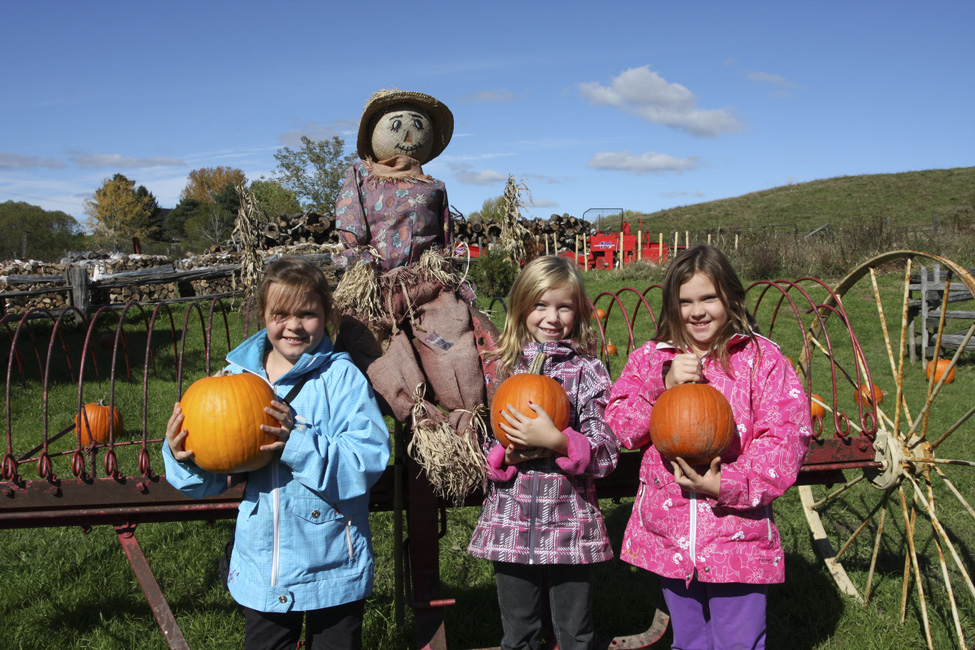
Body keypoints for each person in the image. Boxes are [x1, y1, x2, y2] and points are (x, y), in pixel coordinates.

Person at [162, 257, 391, 650]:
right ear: (263, 315)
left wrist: (296, 443)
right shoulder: (235, 380)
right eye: (281, 314)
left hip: (333, 560)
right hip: (263, 564)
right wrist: (182, 456)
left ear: (326, 315)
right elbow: (212, 473)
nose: (293, 326)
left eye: (307, 314)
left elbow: (367, 460)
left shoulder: (342, 379)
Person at [604, 245, 811, 650]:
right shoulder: (651, 360)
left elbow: (786, 437)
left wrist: (727, 484)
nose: (697, 312)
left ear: (731, 297)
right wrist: (661, 386)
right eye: (685, 302)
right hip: (669, 538)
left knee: (738, 642)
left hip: (737, 536)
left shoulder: (760, 359)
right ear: (671, 305)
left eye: (708, 298)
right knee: (689, 640)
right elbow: (619, 427)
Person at [331, 88, 498, 505]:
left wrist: (446, 274)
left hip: (428, 282)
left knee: (454, 344)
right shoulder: (360, 176)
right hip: (375, 287)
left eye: (417, 126)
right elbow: (350, 226)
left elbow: (445, 238)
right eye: (397, 125)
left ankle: (466, 432)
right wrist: (362, 266)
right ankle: (422, 420)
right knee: (377, 349)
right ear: (373, 134)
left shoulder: (434, 186)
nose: (408, 133)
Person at [467, 255, 620, 650]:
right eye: (540, 305)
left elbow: (605, 453)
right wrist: (504, 457)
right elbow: (480, 442)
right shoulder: (501, 369)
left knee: (575, 634)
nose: (552, 317)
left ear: (578, 311)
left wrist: (557, 440)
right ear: (521, 307)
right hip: (511, 526)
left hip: (570, 526)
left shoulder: (588, 371)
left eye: (563, 306)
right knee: (518, 634)